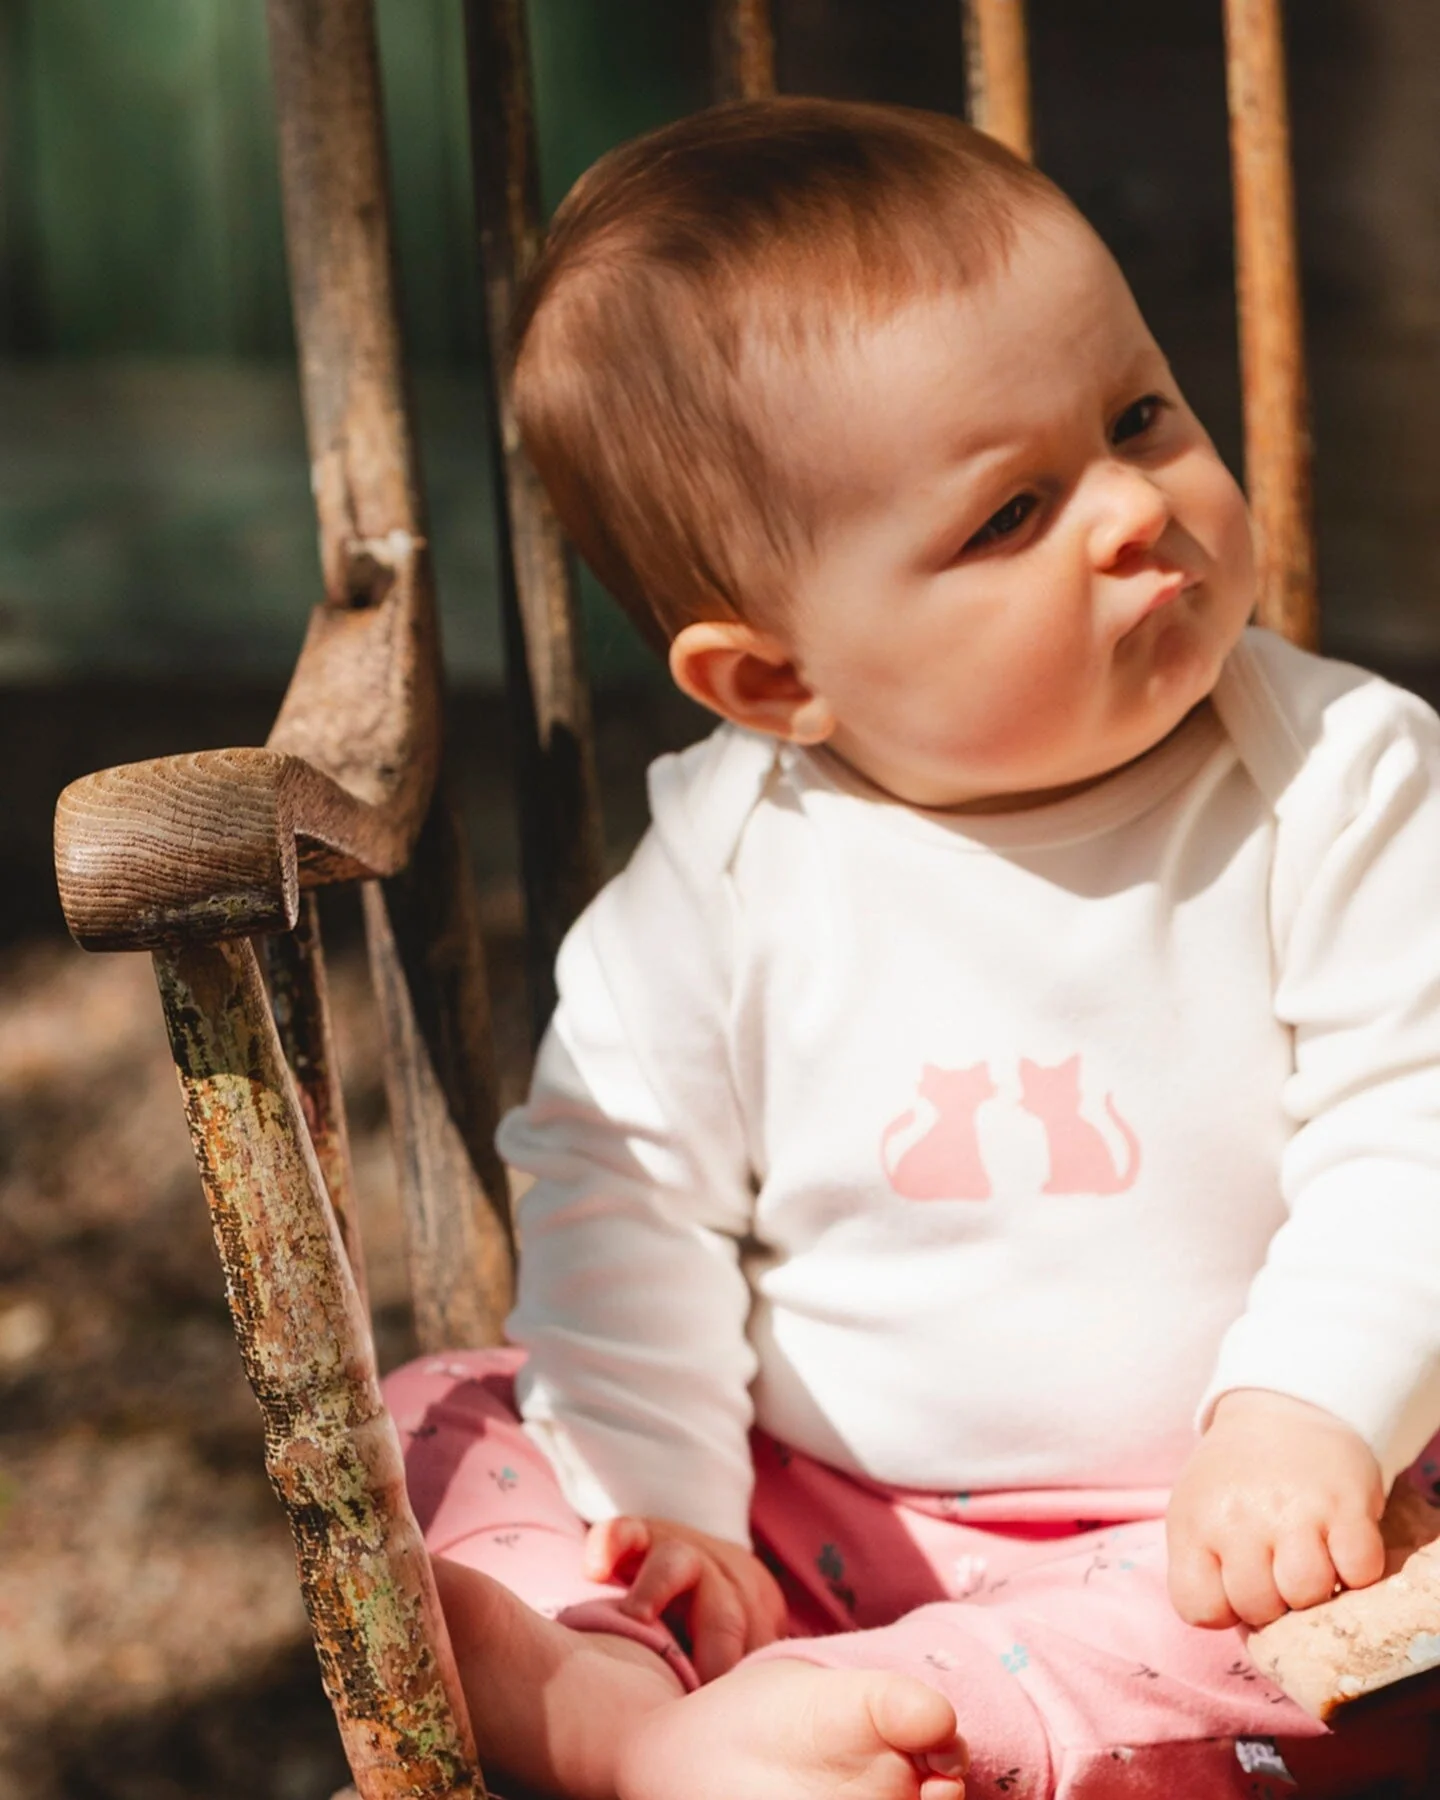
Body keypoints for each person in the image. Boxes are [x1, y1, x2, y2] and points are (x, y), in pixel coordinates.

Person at [383, 97, 1440, 1800]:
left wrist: (1310, 1407)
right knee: (442, 1433)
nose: (1131, 512)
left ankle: (936, 1732)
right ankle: (627, 1715)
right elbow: (624, 1181)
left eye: (1141, 415)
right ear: (776, 683)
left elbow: (1419, 1123)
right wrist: (663, 1503)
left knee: (1355, 1627)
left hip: (1214, 1528)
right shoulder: (726, 871)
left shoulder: (1340, 780)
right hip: (808, 1520)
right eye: (1010, 516)